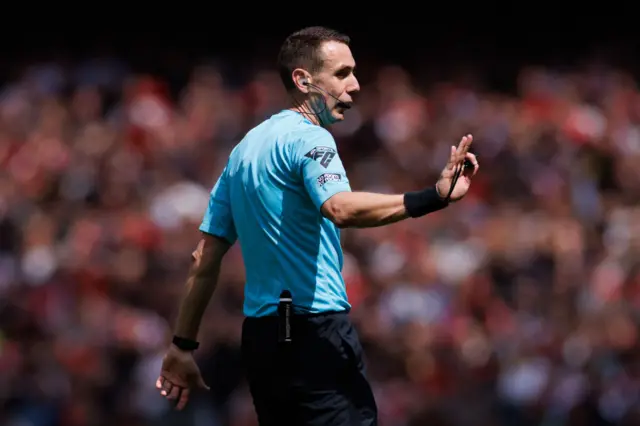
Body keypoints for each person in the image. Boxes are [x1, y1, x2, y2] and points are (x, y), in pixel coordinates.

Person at [155, 26, 479, 425]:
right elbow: (340, 208)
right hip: (312, 328)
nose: (356, 85)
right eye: (342, 73)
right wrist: (434, 196)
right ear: (304, 80)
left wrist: (182, 345)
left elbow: (204, 257)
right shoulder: (311, 139)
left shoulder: (242, 152)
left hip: (262, 339)